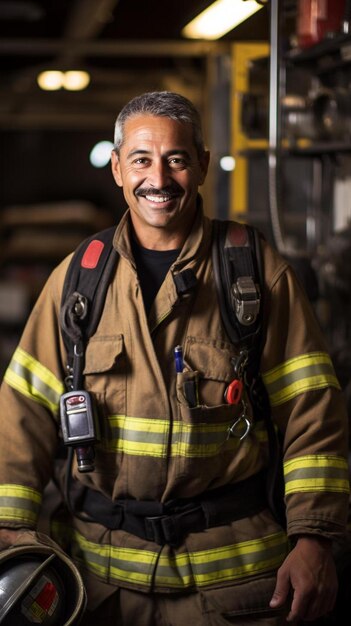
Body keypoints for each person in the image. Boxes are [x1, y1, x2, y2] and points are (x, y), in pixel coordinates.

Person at [0, 90, 349, 626]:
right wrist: (9, 528)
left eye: (176, 160)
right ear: (118, 168)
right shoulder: (79, 282)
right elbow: (21, 414)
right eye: (141, 159)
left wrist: (315, 539)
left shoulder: (253, 274)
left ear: (202, 165)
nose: (158, 179)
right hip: (99, 585)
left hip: (232, 587)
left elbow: (312, 414)